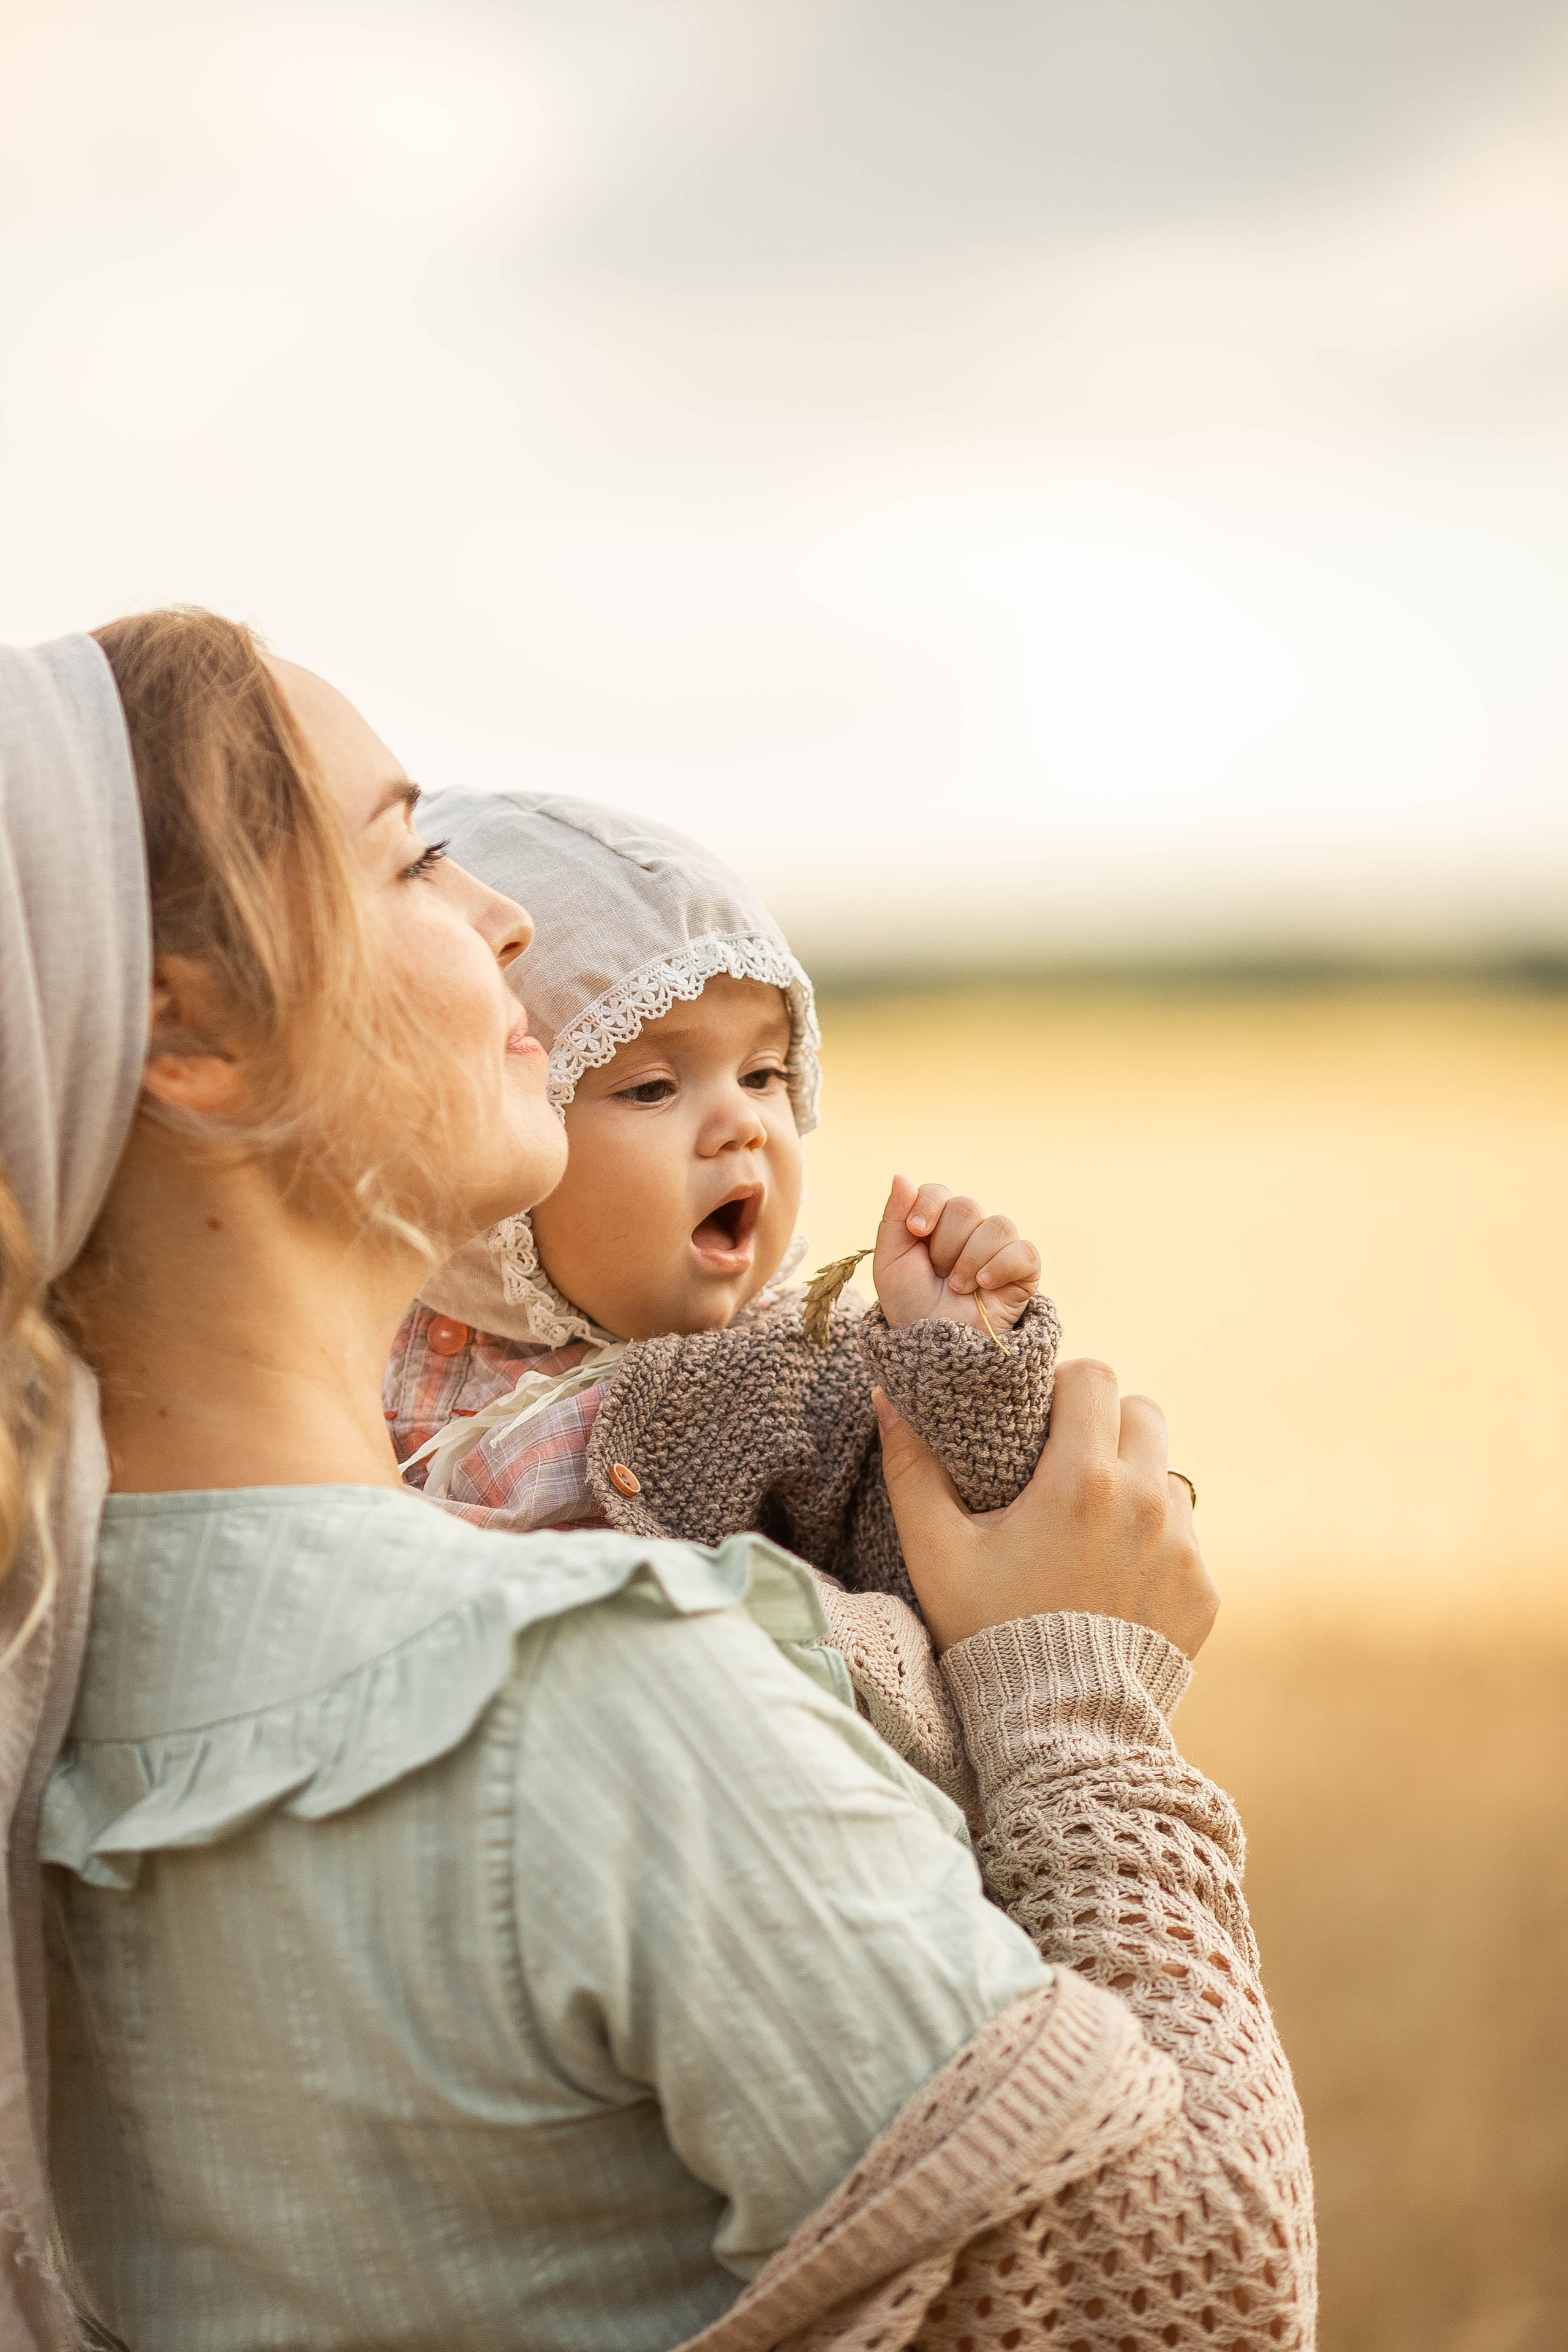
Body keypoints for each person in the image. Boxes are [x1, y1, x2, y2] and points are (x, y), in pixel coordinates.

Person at [0, 608, 1314, 2352]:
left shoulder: (57, 1663)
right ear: (189, 1034)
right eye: (407, 863)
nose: (506, 920)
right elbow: (1188, 2303)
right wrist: (1077, 1694)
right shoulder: (593, 1697)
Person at [384, 789, 1059, 1814]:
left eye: (765, 1073)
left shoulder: (798, 1373)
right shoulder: (359, 1339)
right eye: (652, 1088)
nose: (740, 1125)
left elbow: (953, 1562)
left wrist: (957, 1357)